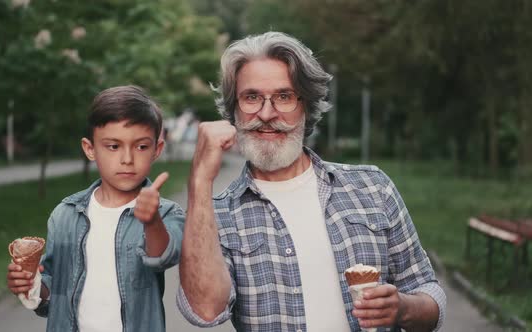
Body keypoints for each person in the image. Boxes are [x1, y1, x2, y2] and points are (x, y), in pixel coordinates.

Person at [177, 32, 446, 332]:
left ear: (306, 104)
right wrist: (200, 180)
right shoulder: (218, 215)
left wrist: (403, 309)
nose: (266, 114)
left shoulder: (373, 188)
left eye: (284, 96)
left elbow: (429, 294)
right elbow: (204, 311)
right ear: (234, 109)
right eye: (252, 97)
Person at [6, 85, 185, 331]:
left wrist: (152, 221)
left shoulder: (166, 213)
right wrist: (31, 285)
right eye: (113, 146)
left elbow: (163, 257)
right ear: (90, 149)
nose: (127, 159)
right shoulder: (65, 215)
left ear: (157, 150)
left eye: (141, 146)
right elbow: (52, 295)